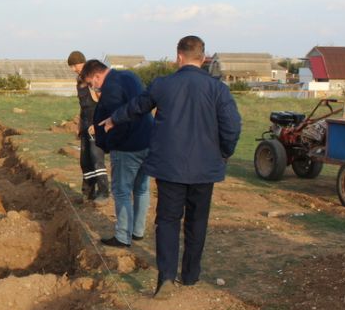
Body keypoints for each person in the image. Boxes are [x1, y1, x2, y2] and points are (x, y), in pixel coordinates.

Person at [100, 36, 241, 296]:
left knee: (167, 220)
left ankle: (166, 278)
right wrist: (223, 153)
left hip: (170, 168)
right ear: (202, 57)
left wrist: (114, 119)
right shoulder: (217, 89)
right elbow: (232, 126)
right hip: (204, 169)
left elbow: (137, 107)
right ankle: (190, 275)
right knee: (197, 221)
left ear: (179, 57)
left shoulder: (163, 85)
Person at [79, 59, 152, 248]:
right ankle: (137, 231)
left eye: (90, 83)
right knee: (141, 188)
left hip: (128, 147)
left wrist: (111, 145)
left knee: (121, 191)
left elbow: (117, 122)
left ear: (97, 75)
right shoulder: (129, 76)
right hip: (147, 140)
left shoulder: (111, 88)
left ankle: (122, 237)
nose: (92, 87)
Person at [67, 51, 109, 202]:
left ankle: (103, 192)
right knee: (85, 161)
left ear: (82, 63)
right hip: (85, 123)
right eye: (71, 66)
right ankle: (88, 193)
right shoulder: (79, 81)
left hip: (95, 124)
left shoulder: (92, 81)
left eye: (74, 65)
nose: (73, 69)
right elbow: (82, 107)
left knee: (96, 158)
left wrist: (97, 124)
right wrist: (80, 125)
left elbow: (103, 103)